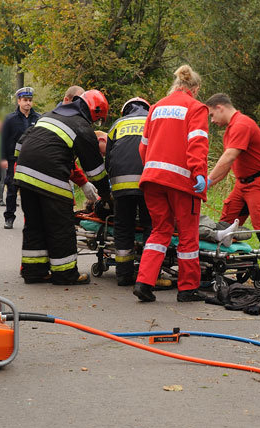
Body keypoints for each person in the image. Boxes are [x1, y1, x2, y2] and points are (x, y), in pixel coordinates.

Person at [14, 89, 111, 285]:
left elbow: (20, 144)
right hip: (50, 176)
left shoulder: (50, 115)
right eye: (97, 119)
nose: (95, 123)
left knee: (35, 225)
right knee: (61, 226)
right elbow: (96, 171)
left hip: (24, 174)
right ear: (94, 111)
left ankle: (34, 272)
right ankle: (65, 274)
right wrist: (108, 196)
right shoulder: (81, 126)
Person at [133, 65, 209, 303]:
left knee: (160, 230)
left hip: (152, 179)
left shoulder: (155, 108)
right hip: (180, 181)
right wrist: (198, 173)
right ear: (194, 89)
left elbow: (143, 147)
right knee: (187, 235)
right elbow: (197, 143)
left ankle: (144, 282)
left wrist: (153, 169)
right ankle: (187, 289)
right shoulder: (196, 108)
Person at [206, 93, 260, 288]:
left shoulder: (241, 125)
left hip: (258, 182)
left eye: (212, 115)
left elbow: (228, 157)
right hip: (243, 184)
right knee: (226, 227)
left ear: (220, 107)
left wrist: (208, 180)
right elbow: (227, 166)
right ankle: (225, 268)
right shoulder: (231, 129)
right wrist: (207, 185)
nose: (212, 121)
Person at [105, 97, 153, 286]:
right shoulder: (153, 121)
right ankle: (148, 274)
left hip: (120, 185)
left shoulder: (117, 124)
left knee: (123, 227)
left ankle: (123, 275)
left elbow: (108, 159)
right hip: (148, 183)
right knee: (151, 226)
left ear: (125, 110)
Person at [1, 86, 41, 229]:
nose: (28, 103)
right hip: (14, 160)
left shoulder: (39, 119)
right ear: (19, 101)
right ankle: (9, 217)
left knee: (31, 192)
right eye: (25, 100)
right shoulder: (10, 119)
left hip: (32, 161)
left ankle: (31, 220)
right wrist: (3, 159)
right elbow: (2, 140)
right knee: (12, 189)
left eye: (30, 100)